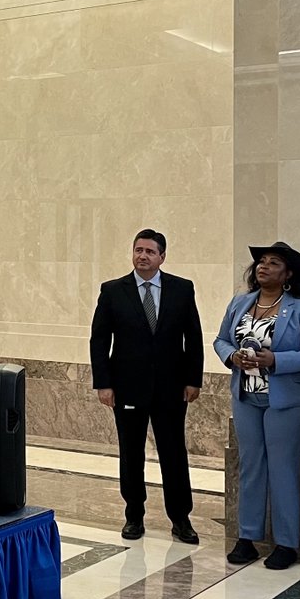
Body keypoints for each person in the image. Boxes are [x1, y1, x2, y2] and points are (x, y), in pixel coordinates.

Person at [214, 242, 300, 570]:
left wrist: (276, 359)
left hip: (289, 402)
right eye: (261, 262)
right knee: (251, 464)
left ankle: (286, 543)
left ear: (288, 274)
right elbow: (221, 339)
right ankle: (247, 538)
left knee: (283, 468)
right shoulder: (240, 304)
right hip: (247, 395)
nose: (263, 266)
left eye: (273, 262)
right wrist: (231, 355)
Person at [90, 229, 204, 543]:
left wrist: (194, 379)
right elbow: (100, 340)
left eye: (150, 251)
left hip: (171, 389)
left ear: (162, 257)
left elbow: (193, 338)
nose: (143, 256)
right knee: (131, 453)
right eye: (138, 250)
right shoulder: (113, 291)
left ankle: (181, 518)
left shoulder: (182, 289)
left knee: (174, 454)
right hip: (127, 388)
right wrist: (104, 384)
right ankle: (134, 516)